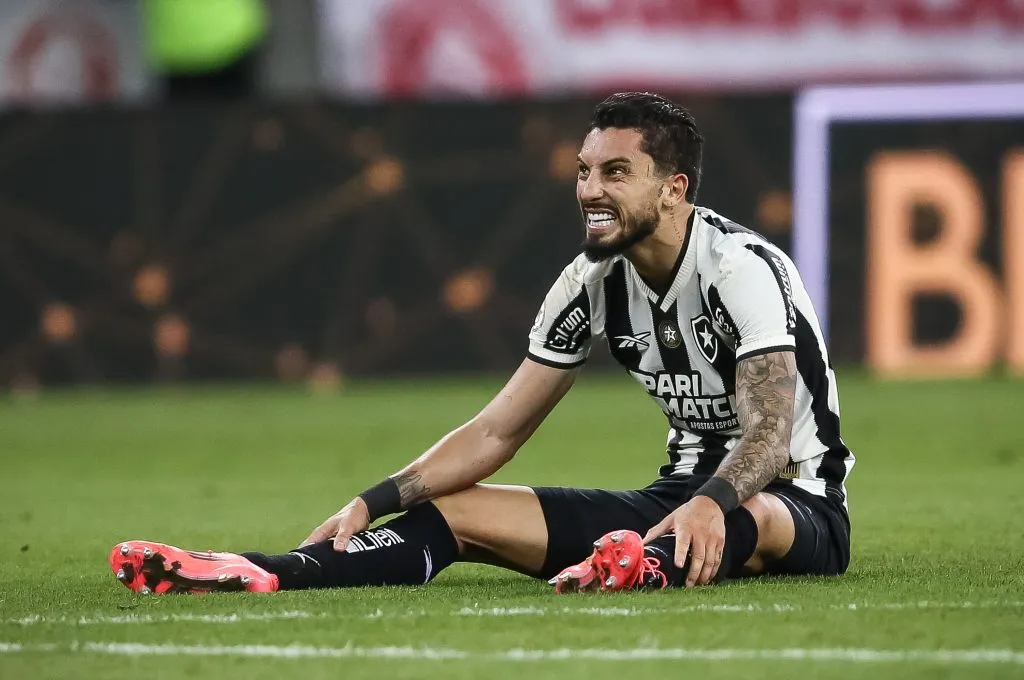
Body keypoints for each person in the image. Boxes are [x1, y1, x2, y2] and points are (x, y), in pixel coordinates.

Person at [109, 92, 853, 596]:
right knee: (456, 512)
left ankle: (638, 564)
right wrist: (374, 499)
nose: (589, 189)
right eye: (584, 171)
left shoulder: (741, 270)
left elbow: (769, 435)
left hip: (795, 504)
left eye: (615, 172)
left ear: (673, 189)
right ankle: (268, 571)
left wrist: (712, 504)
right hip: (673, 500)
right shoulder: (590, 281)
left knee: (756, 517)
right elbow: (498, 429)